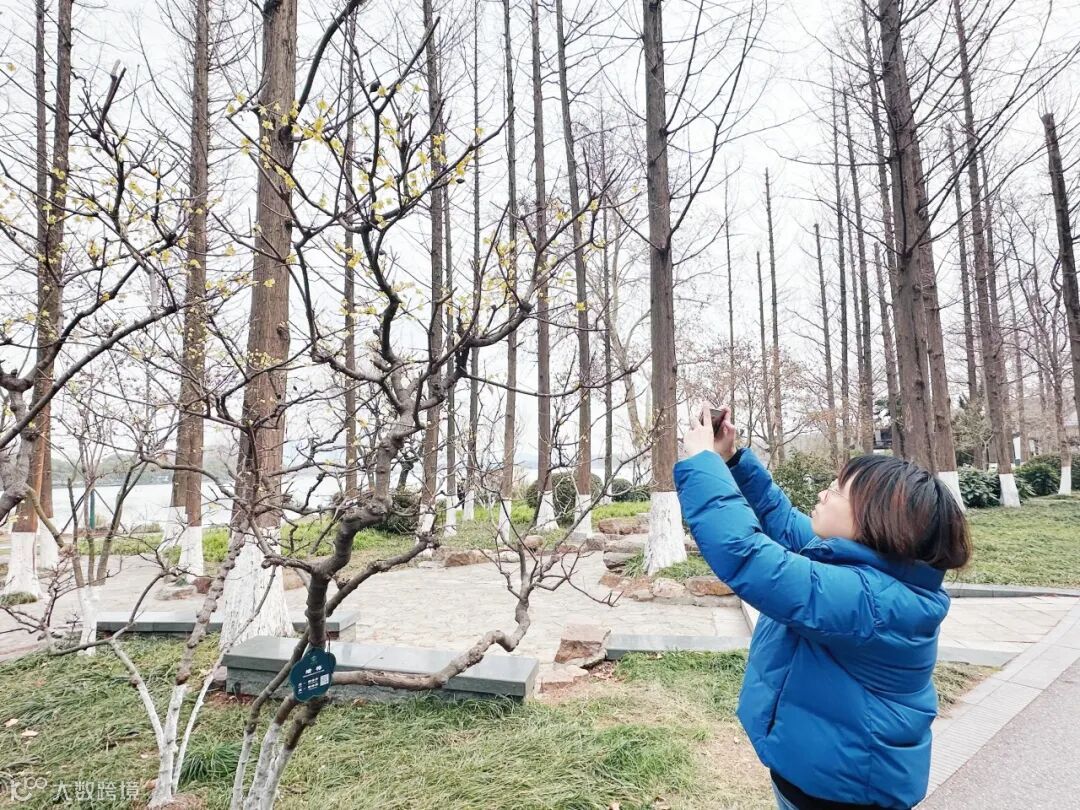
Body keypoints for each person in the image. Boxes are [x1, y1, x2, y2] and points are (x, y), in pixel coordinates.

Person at [674, 404, 971, 810]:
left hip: (841, 796)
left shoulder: (872, 601)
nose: (821, 494)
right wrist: (732, 460)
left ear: (876, 522)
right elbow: (780, 521)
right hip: (825, 781)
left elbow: (748, 556)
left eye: (835, 490)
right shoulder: (865, 568)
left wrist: (703, 462)